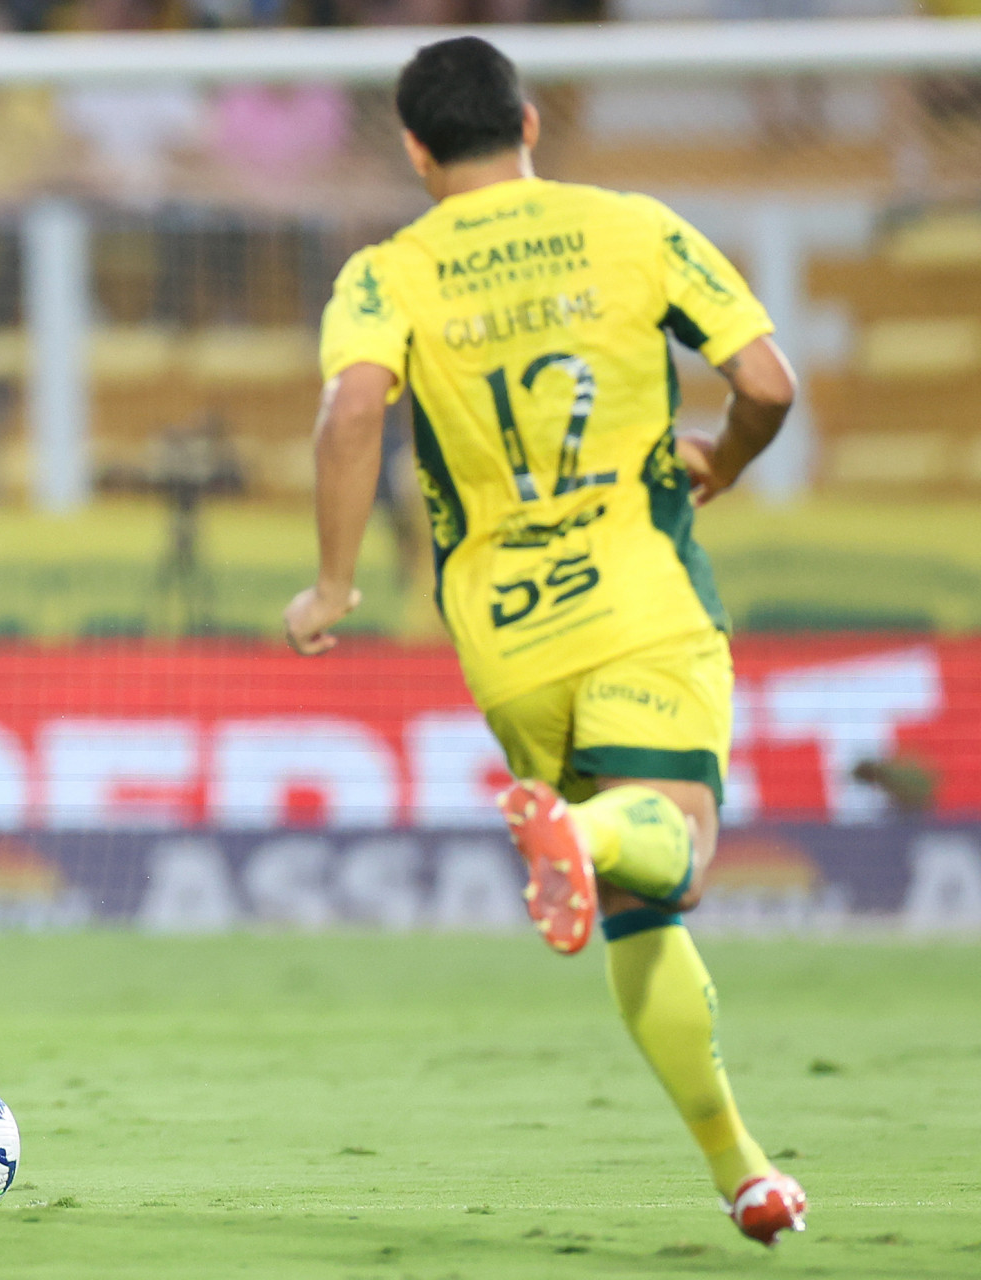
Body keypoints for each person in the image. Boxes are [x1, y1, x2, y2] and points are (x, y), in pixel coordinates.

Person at [283, 37, 806, 1247]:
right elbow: (769, 382)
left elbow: (351, 406)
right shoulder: (632, 227)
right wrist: (721, 459)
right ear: (530, 119)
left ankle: (744, 1172)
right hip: (640, 596)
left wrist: (331, 582)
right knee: (666, 850)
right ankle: (580, 829)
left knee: (635, 910)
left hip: (506, 636)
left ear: (416, 151)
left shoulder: (387, 271)